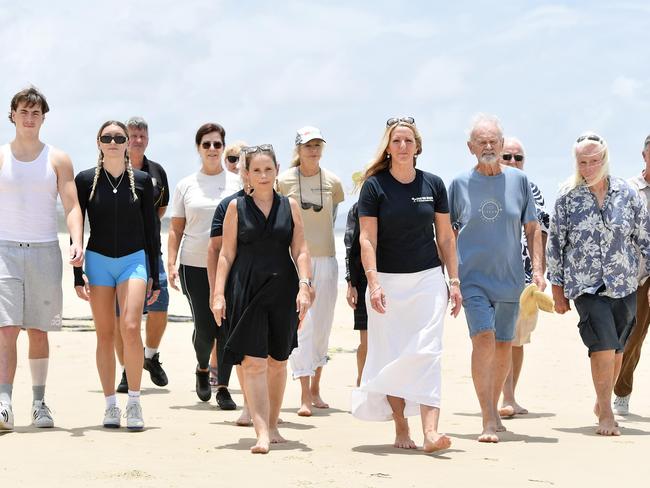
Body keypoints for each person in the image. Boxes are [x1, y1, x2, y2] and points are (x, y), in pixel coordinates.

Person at [351, 117, 461, 453]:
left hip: (428, 278)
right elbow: (367, 239)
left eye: (408, 141)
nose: (402, 147)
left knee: (428, 352)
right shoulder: (374, 187)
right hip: (387, 281)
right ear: (388, 146)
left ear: (417, 146)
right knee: (393, 354)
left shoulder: (433, 184)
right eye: (396, 141)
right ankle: (401, 425)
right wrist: (373, 282)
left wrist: (453, 281)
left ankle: (431, 432)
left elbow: (445, 236)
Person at [448, 114, 543, 443]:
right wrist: (451, 279)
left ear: (502, 145)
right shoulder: (458, 184)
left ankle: (494, 405)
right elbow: (448, 233)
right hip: (472, 279)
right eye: (481, 141)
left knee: (504, 344)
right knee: (483, 339)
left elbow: (532, 228)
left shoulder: (520, 182)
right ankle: (488, 415)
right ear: (470, 147)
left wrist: (540, 271)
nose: (488, 146)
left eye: (493, 141)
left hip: (510, 280)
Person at [547, 132, 650, 436]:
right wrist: (557, 290)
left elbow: (644, 238)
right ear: (576, 163)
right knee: (602, 345)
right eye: (583, 162)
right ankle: (606, 412)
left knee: (618, 347)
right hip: (586, 284)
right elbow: (555, 244)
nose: (589, 167)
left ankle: (601, 400)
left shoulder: (627, 194)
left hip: (624, 282)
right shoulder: (567, 196)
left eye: (594, 161)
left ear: (605, 159)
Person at [212, 144, 312, 454]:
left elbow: (301, 250)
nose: (263, 175)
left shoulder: (290, 206)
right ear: (246, 173)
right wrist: (218, 294)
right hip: (246, 287)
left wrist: (305, 285)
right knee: (253, 362)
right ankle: (261, 433)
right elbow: (226, 254)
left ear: (277, 169)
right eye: (257, 170)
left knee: (278, 361)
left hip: (283, 288)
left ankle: (273, 424)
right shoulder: (235, 208)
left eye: (268, 169)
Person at [0, 87, 84, 431]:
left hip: (45, 250)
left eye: (36, 113)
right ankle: (4, 403)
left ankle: (39, 402)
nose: (29, 118)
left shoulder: (58, 158)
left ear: (43, 118)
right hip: (4, 251)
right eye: (24, 112)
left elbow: (72, 204)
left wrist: (78, 240)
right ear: (13, 116)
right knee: (5, 329)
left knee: (38, 330)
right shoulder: (1, 155)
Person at [74, 120, 160, 430]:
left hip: (133, 260)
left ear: (127, 143)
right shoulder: (85, 180)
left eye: (119, 137)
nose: (113, 142)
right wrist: (76, 273)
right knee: (105, 334)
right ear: (98, 142)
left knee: (131, 326)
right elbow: (77, 223)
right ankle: (111, 405)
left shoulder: (142, 179)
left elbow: (152, 231)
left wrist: (155, 273)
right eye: (107, 137)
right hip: (97, 261)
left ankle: (134, 402)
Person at [168, 122, 240, 409]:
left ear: (223, 148)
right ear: (198, 148)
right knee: (205, 325)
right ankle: (201, 366)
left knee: (226, 326)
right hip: (194, 264)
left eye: (217, 144)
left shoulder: (237, 183)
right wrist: (171, 262)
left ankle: (222, 385)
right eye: (206, 144)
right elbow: (175, 228)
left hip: (231, 265)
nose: (212, 149)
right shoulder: (186, 184)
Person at [277, 126, 344, 416]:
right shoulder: (283, 181)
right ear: (298, 149)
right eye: (308, 146)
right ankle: (303, 394)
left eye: (317, 145)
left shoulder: (333, 182)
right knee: (303, 326)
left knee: (322, 327)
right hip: (294, 261)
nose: (313, 150)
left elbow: (332, 219)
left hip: (327, 258)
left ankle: (316, 388)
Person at [114, 116, 170, 393]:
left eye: (142, 136)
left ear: (147, 139)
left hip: (151, 251)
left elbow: (160, 210)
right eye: (132, 135)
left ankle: (150, 357)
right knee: (120, 316)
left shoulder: (157, 171)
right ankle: (127, 369)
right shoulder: (112, 169)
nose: (137, 140)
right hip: (117, 252)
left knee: (160, 306)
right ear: (125, 139)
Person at [498, 137, 550, 417]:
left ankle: (509, 396)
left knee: (517, 340)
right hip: (492, 277)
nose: (513, 162)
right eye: (507, 156)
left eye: (518, 158)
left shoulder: (532, 190)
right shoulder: (484, 186)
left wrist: (540, 272)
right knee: (496, 338)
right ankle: (495, 396)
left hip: (525, 279)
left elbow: (540, 231)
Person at [613, 134, 650, 415]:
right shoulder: (628, 189)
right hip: (637, 274)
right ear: (644, 156)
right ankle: (621, 391)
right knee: (633, 336)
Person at [344, 198, 368, 387]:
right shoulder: (358, 208)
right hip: (363, 280)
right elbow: (350, 246)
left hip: (394, 276)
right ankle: (362, 383)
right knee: (367, 340)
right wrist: (350, 283)